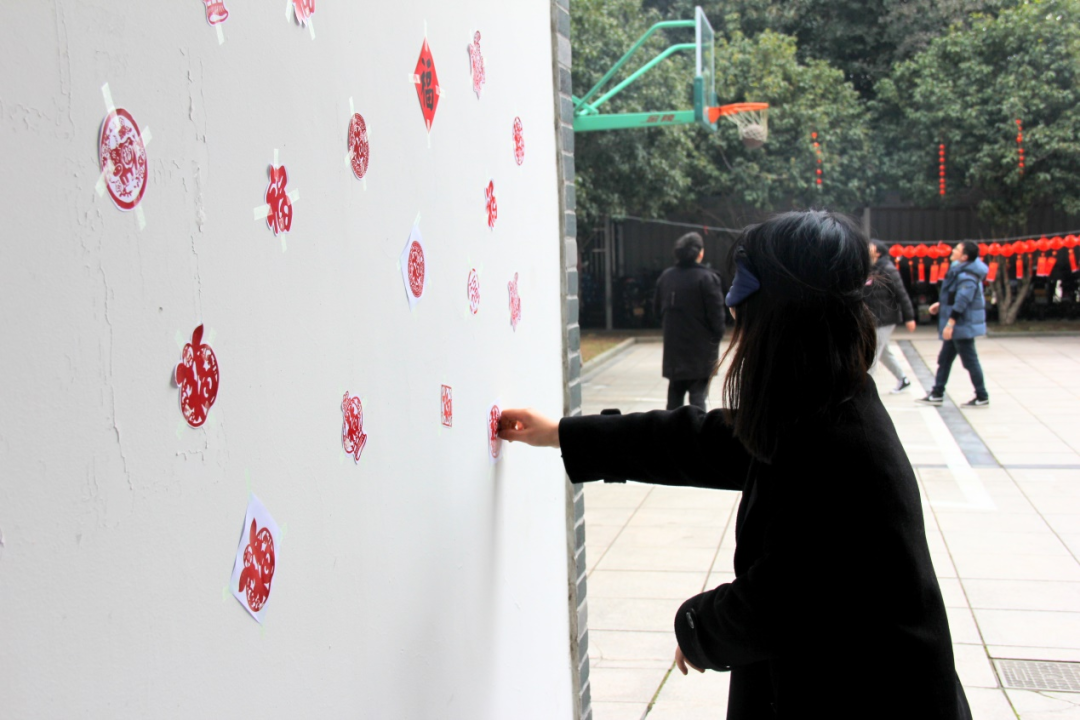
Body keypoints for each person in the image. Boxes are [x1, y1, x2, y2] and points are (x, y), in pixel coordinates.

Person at [500, 211, 971, 720]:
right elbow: (700, 441)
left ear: (782, 319)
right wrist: (564, 433)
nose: (731, 313)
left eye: (744, 306)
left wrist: (698, 626)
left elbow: (779, 600)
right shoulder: (820, 406)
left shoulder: (840, 444)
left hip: (874, 693)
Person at [653, 232, 727, 410]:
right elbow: (717, 318)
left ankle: (672, 428)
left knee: (674, 399)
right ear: (700, 253)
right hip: (701, 352)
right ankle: (697, 428)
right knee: (698, 399)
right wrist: (716, 338)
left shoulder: (666, 277)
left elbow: (656, 312)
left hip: (674, 350)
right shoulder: (707, 278)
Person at [917, 241, 989, 407]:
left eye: (956, 249)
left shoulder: (967, 276)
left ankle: (982, 395)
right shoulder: (959, 271)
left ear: (964, 257)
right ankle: (937, 393)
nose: (953, 251)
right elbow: (954, 297)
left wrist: (950, 324)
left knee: (970, 361)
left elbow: (962, 302)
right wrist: (941, 305)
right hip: (957, 325)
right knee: (944, 359)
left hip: (961, 326)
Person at [865, 240, 916, 392]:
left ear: (878, 252)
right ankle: (903, 379)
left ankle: (865, 391)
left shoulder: (888, 269)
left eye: (870, 246)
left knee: (873, 353)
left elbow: (901, 293)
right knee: (884, 352)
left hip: (885, 318)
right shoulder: (870, 269)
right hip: (873, 318)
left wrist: (910, 317)